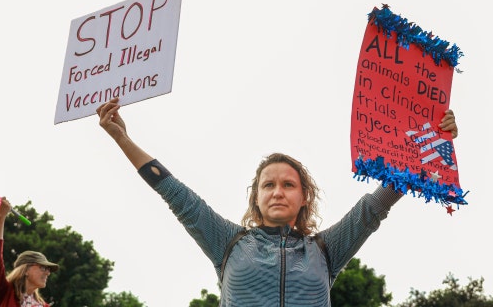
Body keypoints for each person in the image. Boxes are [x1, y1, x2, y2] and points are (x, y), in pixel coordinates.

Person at [96, 98, 458, 306]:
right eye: (268, 185)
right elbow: (175, 193)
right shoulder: (228, 242)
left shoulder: (325, 249)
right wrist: (122, 139)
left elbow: (377, 204)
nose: (278, 191)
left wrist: (432, 142)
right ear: (256, 197)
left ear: (304, 198)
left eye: (288, 184)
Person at [0, 197, 59, 307]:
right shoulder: (4, 291)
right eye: (43, 268)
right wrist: (2, 216)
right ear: (26, 270)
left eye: (48, 269)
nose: (48, 273)